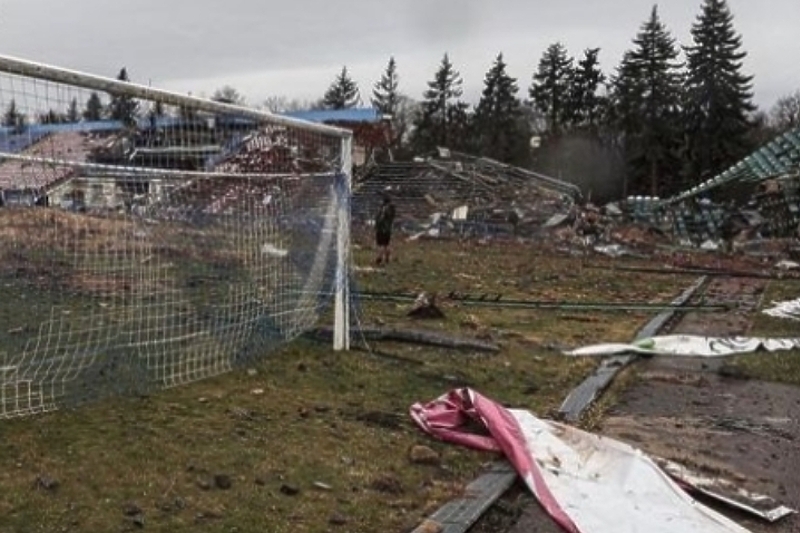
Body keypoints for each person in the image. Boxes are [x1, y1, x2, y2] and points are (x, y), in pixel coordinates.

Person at [374, 195, 396, 266]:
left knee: (380, 244)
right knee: (386, 244)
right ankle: (387, 258)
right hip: (388, 229)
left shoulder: (384, 209)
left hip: (382, 228)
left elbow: (380, 219)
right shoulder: (392, 209)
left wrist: (377, 225)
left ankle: (379, 258)